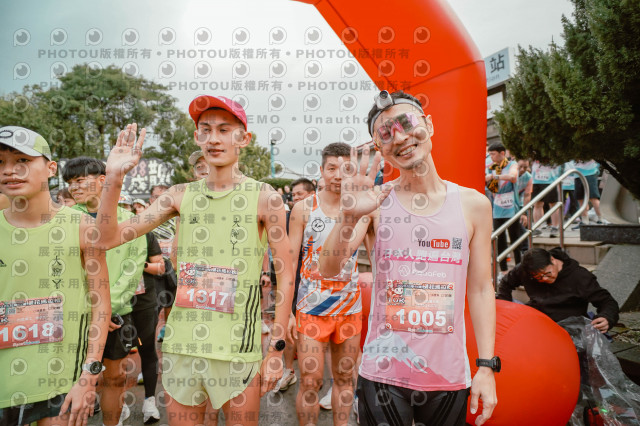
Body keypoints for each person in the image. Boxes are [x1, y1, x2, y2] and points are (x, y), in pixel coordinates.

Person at [95, 95, 294, 426]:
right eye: (206, 130)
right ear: (197, 137)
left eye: (224, 130)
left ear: (244, 138)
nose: (214, 138)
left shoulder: (264, 197)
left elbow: (285, 275)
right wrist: (114, 177)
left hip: (236, 350)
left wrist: (276, 348)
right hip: (182, 347)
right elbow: (107, 238)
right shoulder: (179, 195)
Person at [320, 90, 497, 425]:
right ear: (380, 148)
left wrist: (487, 366)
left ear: (428, 125)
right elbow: (328, 269)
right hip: (384, 374)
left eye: (406, 123)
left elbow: (481, 289)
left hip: (448, 375)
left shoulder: (474, 205)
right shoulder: (375, 202)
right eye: (386, 134)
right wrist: (347, 218)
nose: (400, 137)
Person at [0, 126, 111, 425]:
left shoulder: (82, 226)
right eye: (0, 162)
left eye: (22, 160)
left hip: (61, 381)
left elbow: (101, 305)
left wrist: (89, 376)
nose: (9, 170)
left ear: (50, 168)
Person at [63, 157, 147, 426]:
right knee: (74, 379)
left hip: (117, 315)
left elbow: (132, 270)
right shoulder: (64, 220)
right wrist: (91, 310)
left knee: (114, 378)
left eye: (80, 180)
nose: (74, 187)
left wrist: (107, 310)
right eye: (70, 182)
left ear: (102, 180)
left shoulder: (130, 221)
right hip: (77, 315)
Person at [288, 144, 363, 426]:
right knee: (310, 380)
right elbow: (289, 263)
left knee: (344, 378)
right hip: (311, 308)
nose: (338, 175)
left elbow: (380, 260)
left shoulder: (363, 208)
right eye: (332, 168)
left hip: (349, 307)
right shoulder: (304, 208)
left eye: (346, 169)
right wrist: (287, 314)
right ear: (321, 170)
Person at [496, 247, 619, 331]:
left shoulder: (579, 276)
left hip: (568, 326)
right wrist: (505, 306)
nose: (544, 279)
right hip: (537, 318)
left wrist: (607, 317)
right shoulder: (524, 270)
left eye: (547, 273)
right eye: (538, 277)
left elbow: (607, 301)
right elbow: (505, 283)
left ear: (553, 260)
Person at [129, 204, 165, 424]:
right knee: (114, 358)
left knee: (147, 350)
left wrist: (138, 265)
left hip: (144, 302)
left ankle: (150, 402)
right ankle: (117, 405)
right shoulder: (102, 232)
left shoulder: (145, 234)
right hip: (113, 305)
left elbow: (160, 267)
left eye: (128, 208)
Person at [485, 143, 520, 277]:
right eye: (490, 154)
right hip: (497, 208)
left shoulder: (512, 164)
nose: (491, 157)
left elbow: (513, 177)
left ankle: (519, 269)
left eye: (493, 154)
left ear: (502, 153)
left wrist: (495, 177)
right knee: (499, 240)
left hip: (512, 207)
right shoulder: (491, 167)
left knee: (515, 238)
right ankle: (503, 270)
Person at [531, 161, 562, 237]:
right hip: (536, 179)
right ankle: (537, 228)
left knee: (553, 204)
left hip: (551, 178)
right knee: (537, 204)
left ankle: (555, 227)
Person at [574, 160, 604, 226]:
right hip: (578, 174)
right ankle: (584, 220)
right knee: (580, 198)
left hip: (591, 173)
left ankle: (601, 219)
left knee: (593, 197)